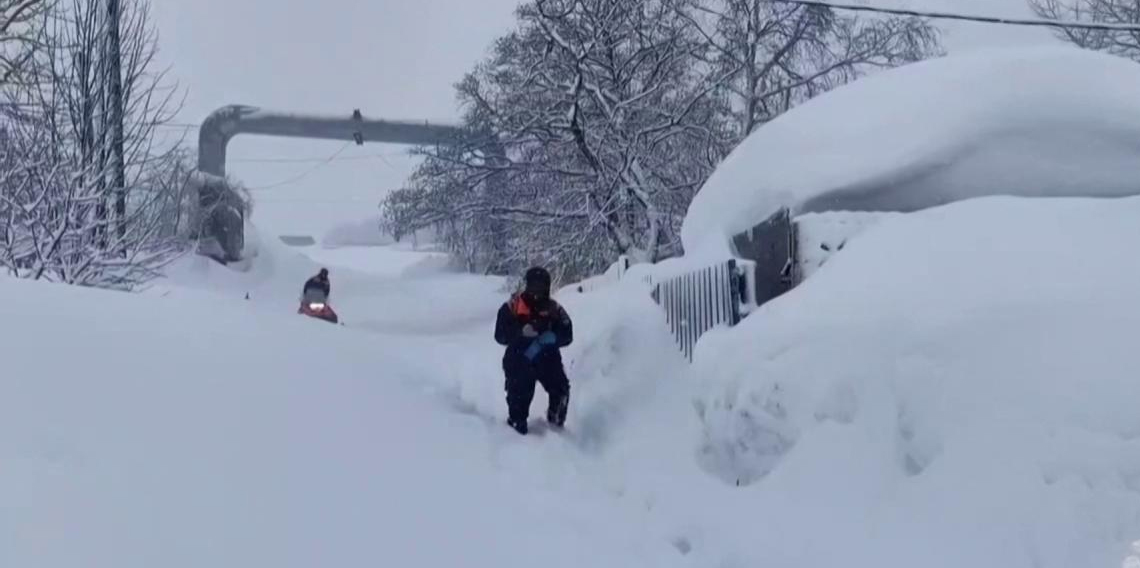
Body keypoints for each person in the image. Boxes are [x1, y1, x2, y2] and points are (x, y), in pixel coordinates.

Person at [494, 266, 573, 435]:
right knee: (519, 397)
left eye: (541, 286)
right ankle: (516, 429)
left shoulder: (554, 309)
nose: (537, 291)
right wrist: (519, 333)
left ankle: (556, 427)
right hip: (519, 359)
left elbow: (568, 334)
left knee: (561, 390)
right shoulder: (513, 306)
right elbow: (499, 335)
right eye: (533, 285)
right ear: (527, 285)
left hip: (547, 358)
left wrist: (552, 337)